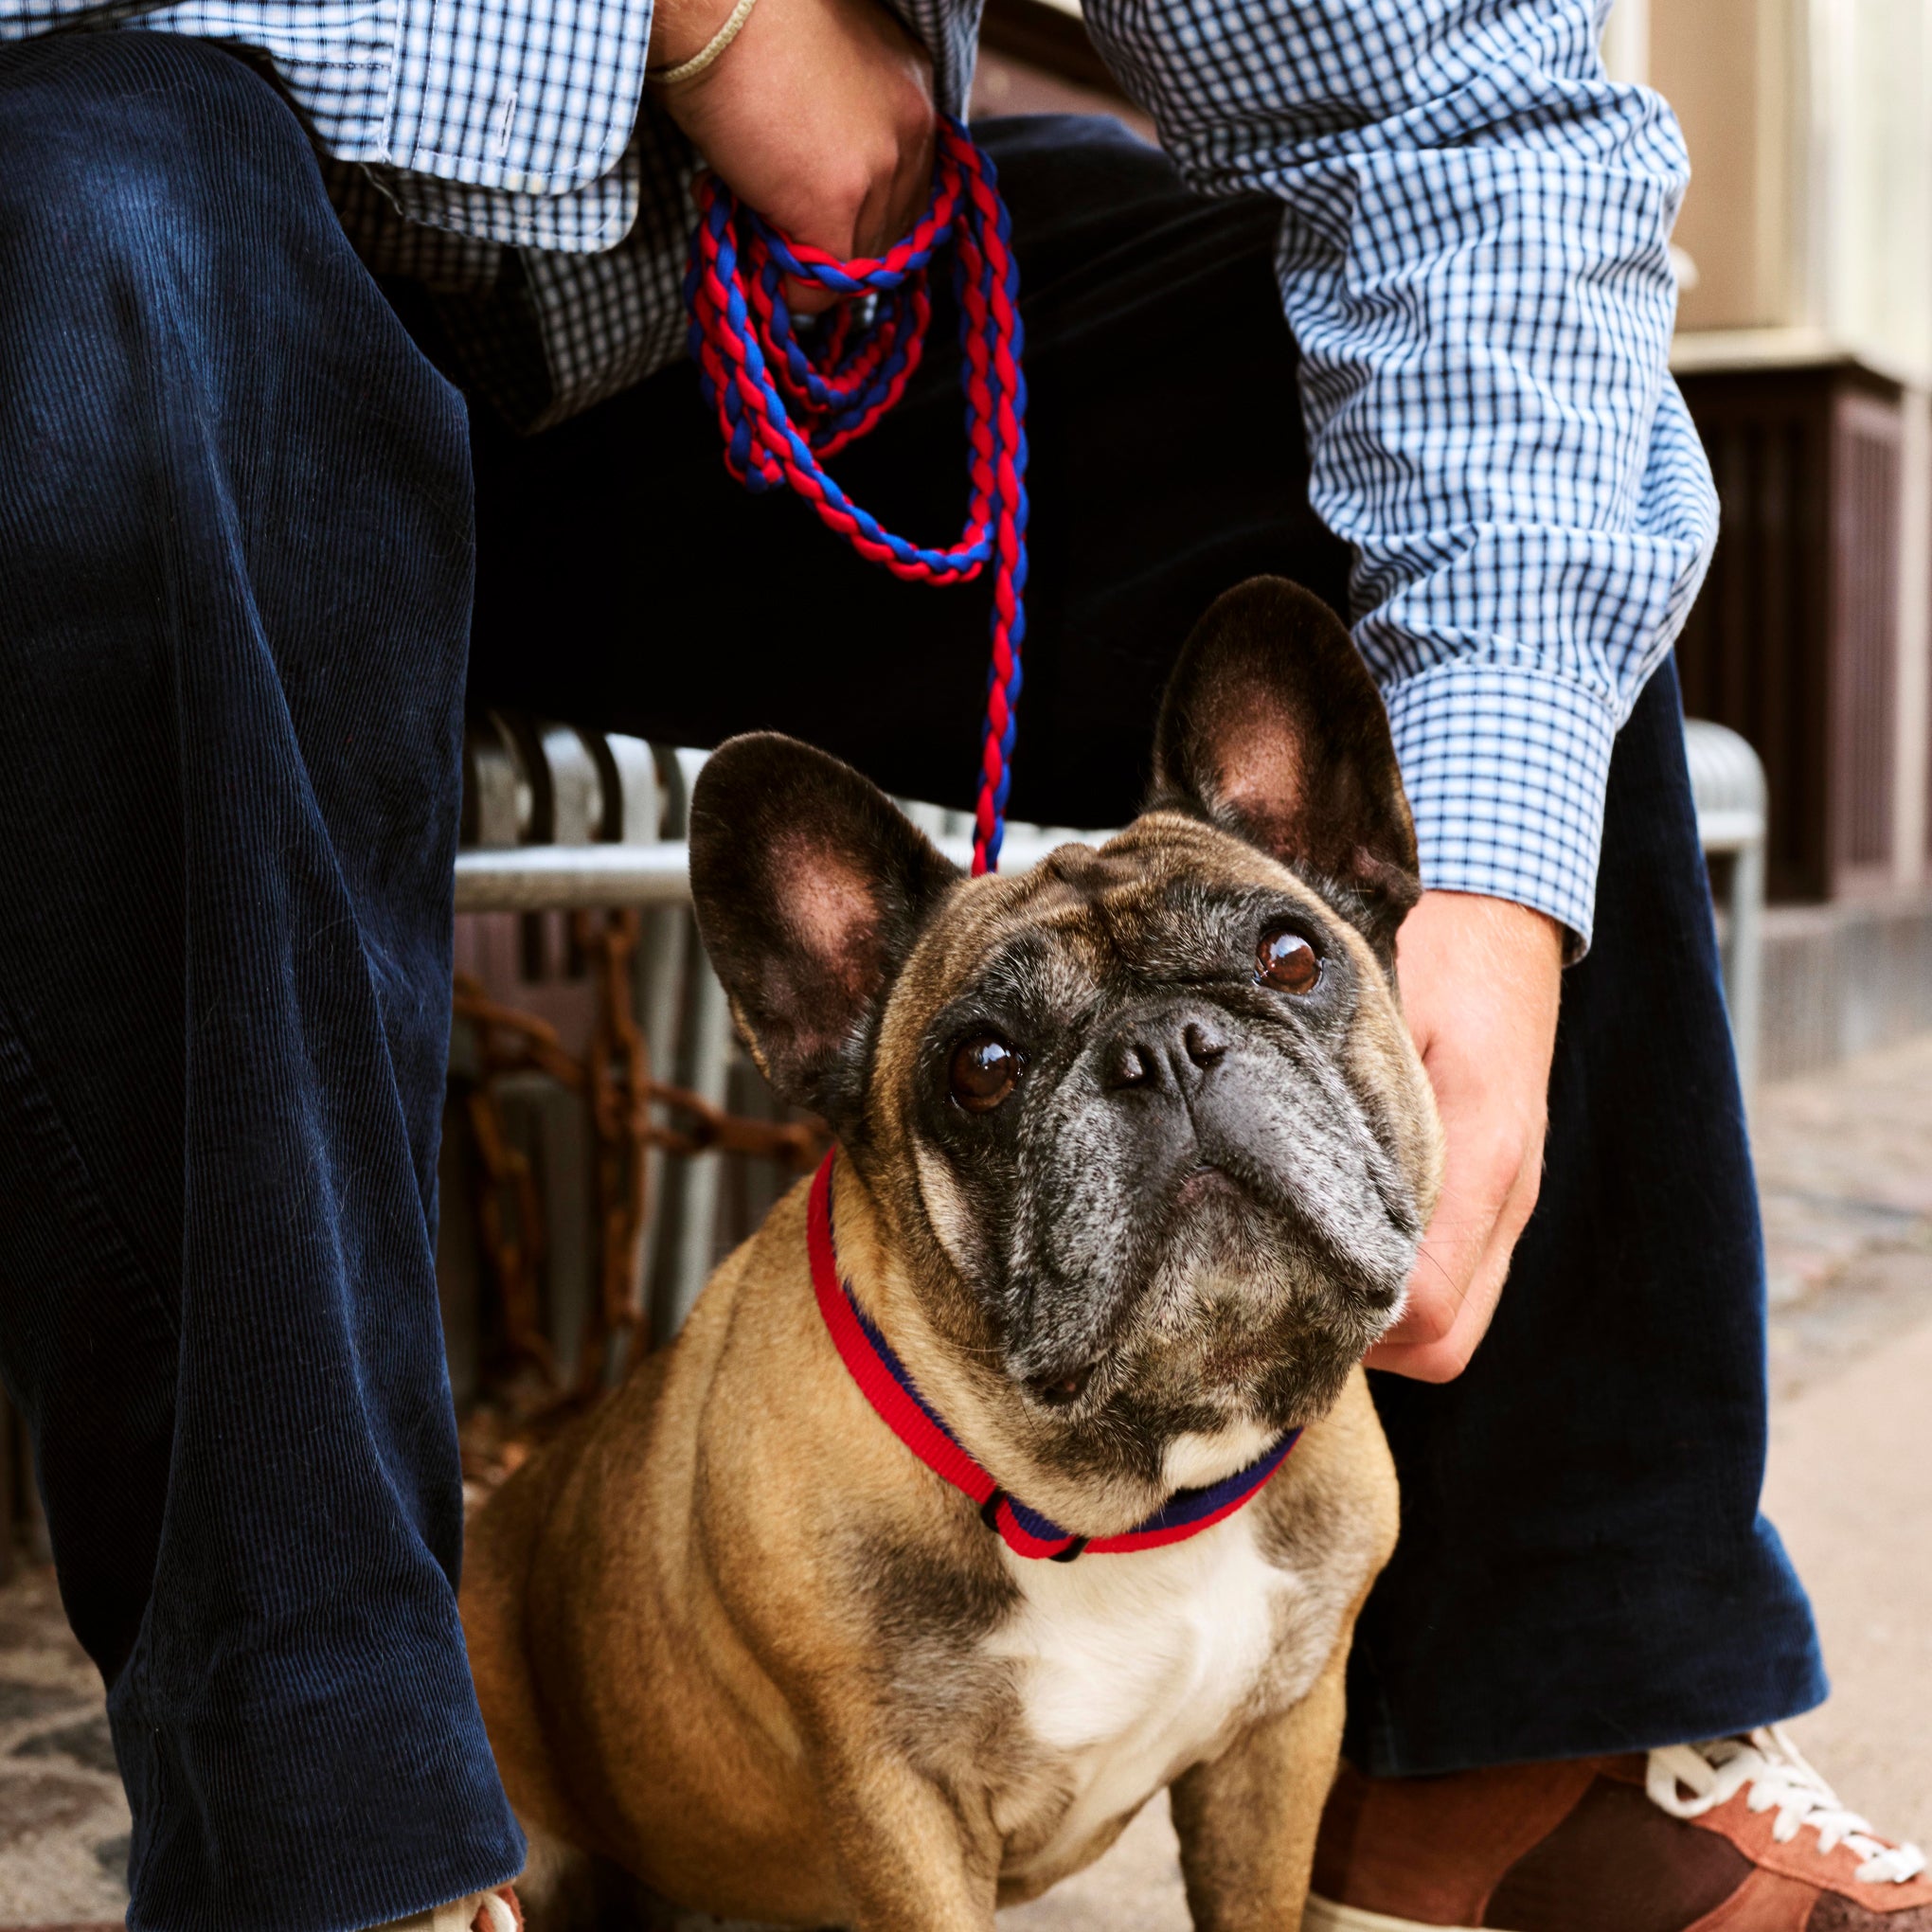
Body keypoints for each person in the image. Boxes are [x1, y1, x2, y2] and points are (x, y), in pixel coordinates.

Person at [0, 0, 1923, 1924]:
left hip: (750, 327)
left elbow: (1450, 107)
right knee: (89, 247)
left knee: (1473, 406)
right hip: (195, 230)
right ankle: (330, 1831)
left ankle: (1522, 1731)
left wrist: (1492, 894)